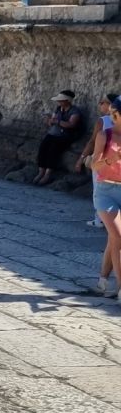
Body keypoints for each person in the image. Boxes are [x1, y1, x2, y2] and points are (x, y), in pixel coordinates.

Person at [91, 97, 121, 304]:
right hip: (106, 191)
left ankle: (103, 280)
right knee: (118, 235)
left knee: (114, 238)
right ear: (116, 115)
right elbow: (94, 166)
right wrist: (111, 159)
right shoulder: (105, 135)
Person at [35, 90, 86, 185]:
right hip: (54, 133)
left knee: (53, 150)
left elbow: (71, 124)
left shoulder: (74, 111)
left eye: (61, 100)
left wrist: (57, 122)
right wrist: (50, 121)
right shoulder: (58, 109)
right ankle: (41, 171)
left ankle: (47, 174)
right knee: (43, 148)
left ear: (67, 101)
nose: (59, 102)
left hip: (65, 136)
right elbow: (52, 121)